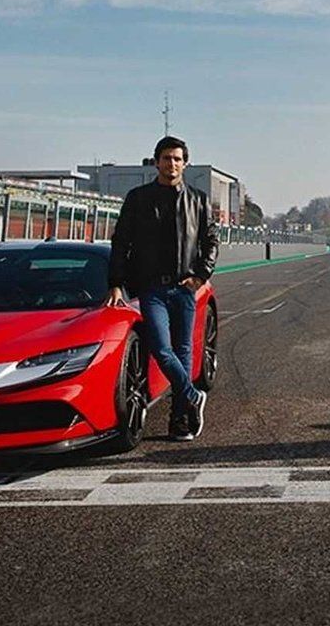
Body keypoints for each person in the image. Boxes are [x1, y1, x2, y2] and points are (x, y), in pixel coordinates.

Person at [105, 136, 219, 441]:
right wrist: (116, 283)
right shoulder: (138, 198)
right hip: (151, 288)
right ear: (156, 161)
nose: (172, 164)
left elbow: (210, 242)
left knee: (183, 352)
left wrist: (200, 275)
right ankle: (193, 395)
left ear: (185, 163)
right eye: (166, 158)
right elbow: (120, 243)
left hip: (185, 289)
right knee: (160, 348)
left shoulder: (199, 200)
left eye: (178, 159)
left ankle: (180, 419)